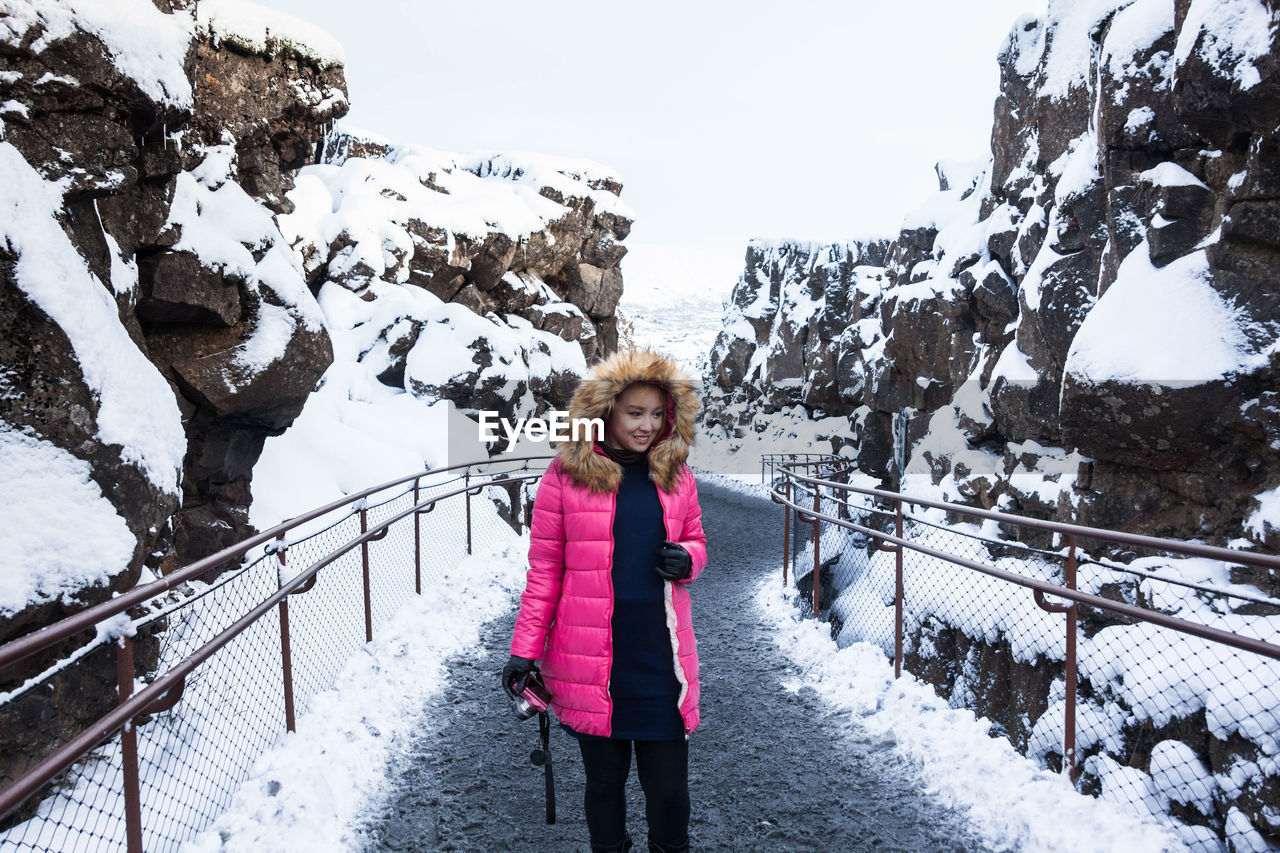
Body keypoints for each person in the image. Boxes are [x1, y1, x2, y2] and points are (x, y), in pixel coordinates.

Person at [503, 348, 707, 853]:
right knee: (604, 785)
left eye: (657, 414)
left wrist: (689, 558)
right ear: (605, 412)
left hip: (661, 660)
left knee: (668, 789)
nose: (646, 426)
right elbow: (545, 571)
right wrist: (524, 649)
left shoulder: (676, 475)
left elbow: (697, 539)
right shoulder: (564, 476)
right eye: (634, 413)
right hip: (592, 660)